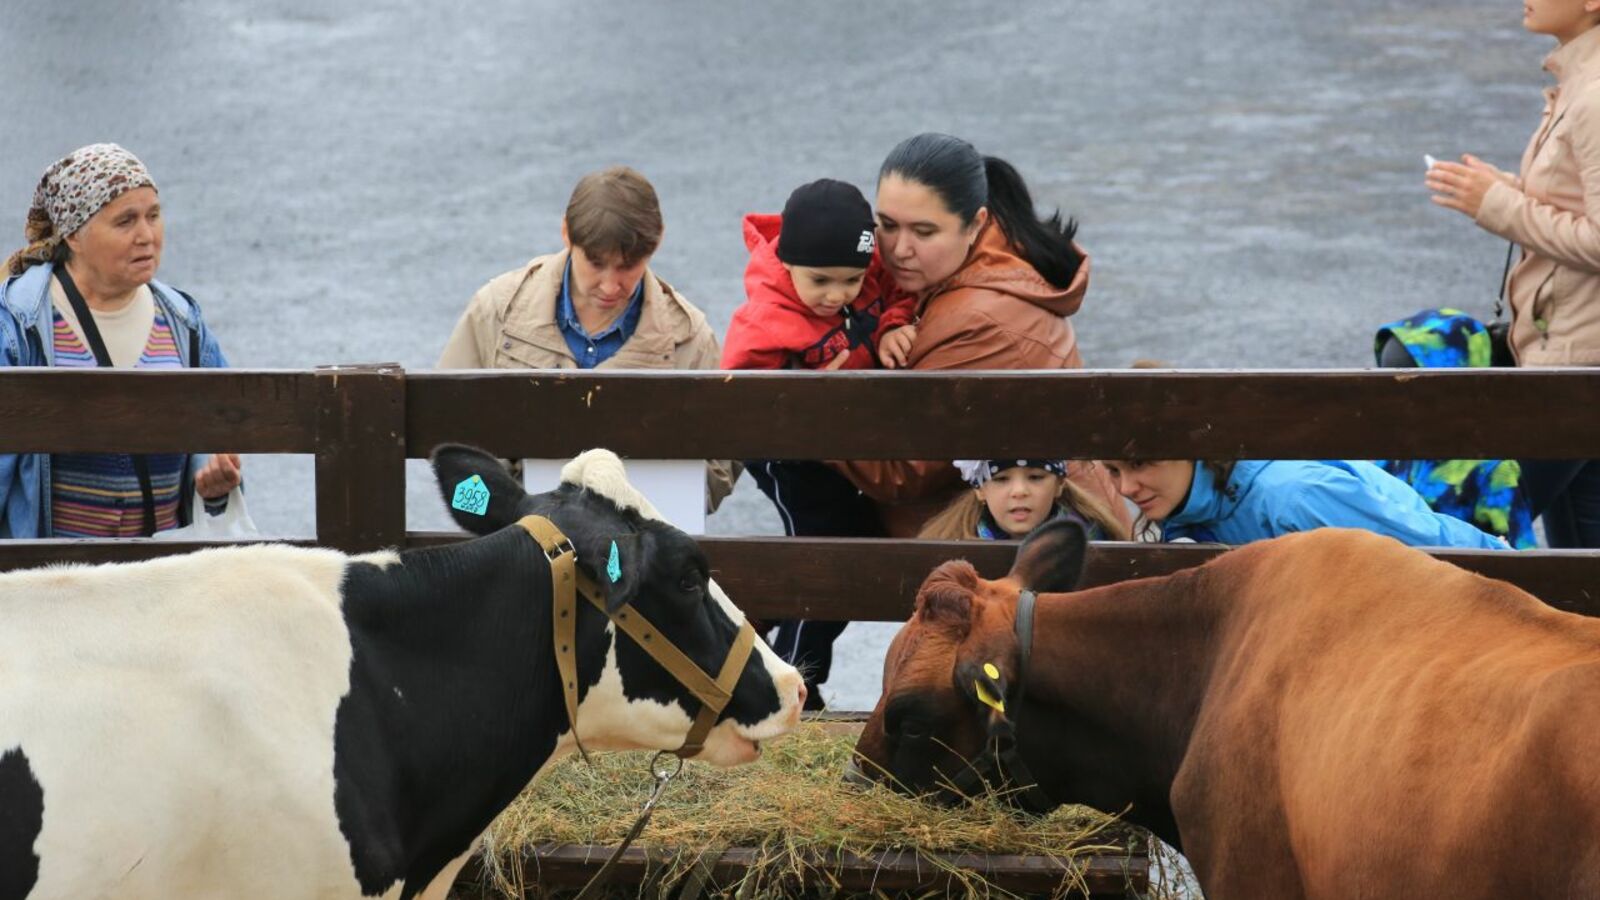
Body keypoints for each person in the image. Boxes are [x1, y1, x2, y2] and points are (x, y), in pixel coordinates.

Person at [828, 133, 1130, 538]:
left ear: (976, 224)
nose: (899, 249)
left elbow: (902, 469)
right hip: (1020, 543)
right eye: (886, 225)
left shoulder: (981, 320)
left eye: (924, 231)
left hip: (1048, 559)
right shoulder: (979, 271)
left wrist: (815, 402)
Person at [722, 178, 918, 710]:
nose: (837, 295)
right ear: (787, 264)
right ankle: (785, 689)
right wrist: (798, 392)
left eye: (852, 280)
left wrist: (893, 326)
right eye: (821, 282)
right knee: (821, 558)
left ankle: (766, 657)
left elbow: (900, 293)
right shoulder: (766, 318)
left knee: (851, 549)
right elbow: (737, 395)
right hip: (789, 457)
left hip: (840, 448)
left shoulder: (870, 274)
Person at [437, 165, 735, 509]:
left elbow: (718, 469)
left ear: (659, 240)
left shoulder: (691, 338)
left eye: (629, 266)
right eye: (595, 263)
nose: (610, 286)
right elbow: (450, 432)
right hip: (517, 545)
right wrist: (499, 519)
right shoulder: (496, 310)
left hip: (636, 548)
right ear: (566, 233)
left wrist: (662, 515)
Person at [1425, 0, 1600, 547]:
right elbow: (1573, 205)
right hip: (1566, 350)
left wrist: (1498, 205)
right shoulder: (1577, 81)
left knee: (1468, 539)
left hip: (1576, 360)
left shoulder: (1594, 95)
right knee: (1582, 561)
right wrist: (1504, 190)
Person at [0, 143, 241, 539]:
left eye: (154, 216)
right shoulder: (17, 321)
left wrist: (212, 485)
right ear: (75, 235)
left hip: (156, 581)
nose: (146, 236)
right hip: (55, 582)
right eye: (125, 221)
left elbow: (220, 440)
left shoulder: (182, 320)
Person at [1373, 309, 1536, 548]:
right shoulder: (1386, 453)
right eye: (1385, 386)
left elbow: (1522, 556)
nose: (1390, 403)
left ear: (1454, 389)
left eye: (1409, 393)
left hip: (1460, 581)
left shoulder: (1492, 470)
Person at [1099, 458, 1509, 549]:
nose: (1127, 488)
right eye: (1114, 471)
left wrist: (1497, 557)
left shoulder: (1295, 497)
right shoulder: (1183, 513)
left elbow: (1419, 543)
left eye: (1141, 465)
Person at [918, 459, 1131, 541]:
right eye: (1001, 479)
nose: (1019, 491)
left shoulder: (1091, 539)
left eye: (1036, 477)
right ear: (980, 490)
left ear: (1059, 485)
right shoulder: (954, 543)